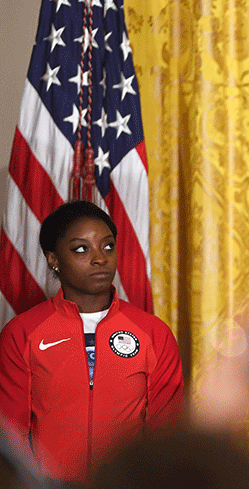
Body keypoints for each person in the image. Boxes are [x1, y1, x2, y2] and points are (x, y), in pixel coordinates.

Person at [0, 201, 184, 483]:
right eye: (81, 249)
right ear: (53, 259)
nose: (100, 258)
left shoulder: (153, 333)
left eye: (108, 246)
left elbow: (166, 431)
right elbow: (11, 436)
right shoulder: (22, 333)